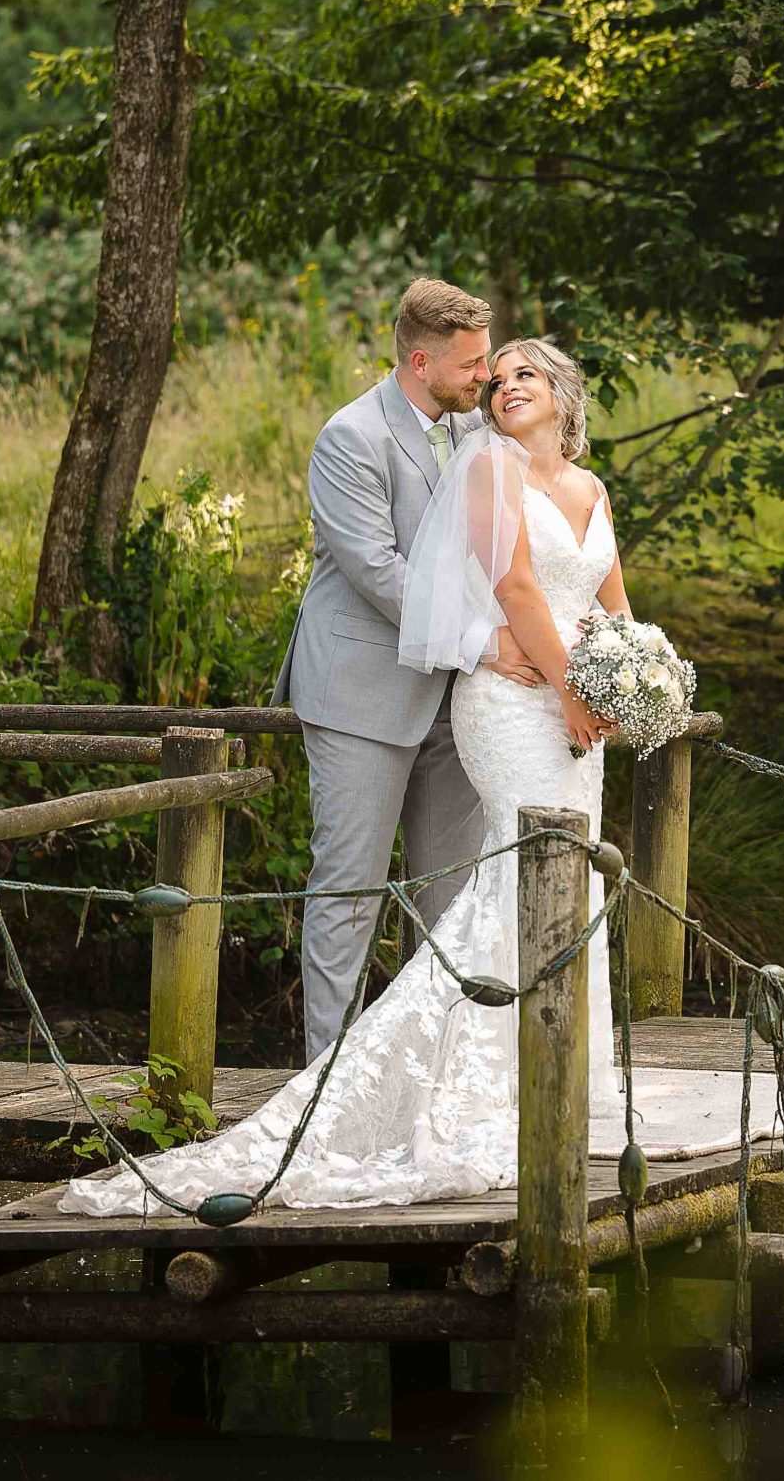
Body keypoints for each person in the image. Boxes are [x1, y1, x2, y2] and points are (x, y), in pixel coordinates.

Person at [56, 335, 629, 1215]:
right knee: (430, 884)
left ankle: (559, 1082)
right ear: (423, 355)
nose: (500, 383)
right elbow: (499, 588)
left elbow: (607, 602)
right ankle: (352, 1085)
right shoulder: (439, 457)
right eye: (491, 371)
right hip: (500, 699)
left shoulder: (588, 489)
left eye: (521, 372)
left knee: (539, 887)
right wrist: (569, 689)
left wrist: (632, 677)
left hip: (558, 708)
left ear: (562, 391)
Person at [271, 277, 495, 1063]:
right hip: (363, 697)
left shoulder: (474, 431)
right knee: (348, 897)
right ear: (421, 358)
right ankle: (325, 1085)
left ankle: (425, 1082)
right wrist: (484, 644)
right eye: (471, 365)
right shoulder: (349, 438)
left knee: (450, 901)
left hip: (457, 702)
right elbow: (379, 571)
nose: (485, 378)